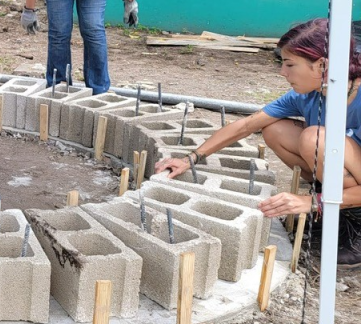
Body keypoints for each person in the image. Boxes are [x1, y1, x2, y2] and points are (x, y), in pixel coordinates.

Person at [154, 19, 361, 268]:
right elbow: (246, 125)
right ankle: (337, 209)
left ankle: (353, 218)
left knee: (314, 138)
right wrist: (191, 159)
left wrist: (310, 202)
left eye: (289, 64)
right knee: (274, 129)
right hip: (350, 174)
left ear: (322, 65)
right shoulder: (306, 94)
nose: (282, 72)